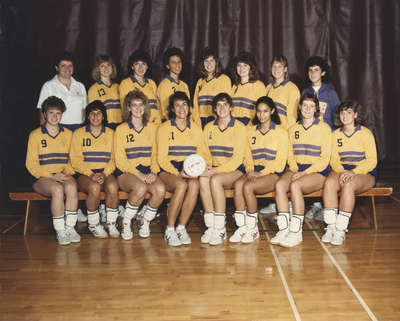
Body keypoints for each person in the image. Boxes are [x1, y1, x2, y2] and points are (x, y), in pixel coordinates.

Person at [271, 93, 332, 247]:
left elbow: (324, 159)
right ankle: (284, 229)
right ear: (299, 107)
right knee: (279, 185)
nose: (307, 109)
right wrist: (295, 169)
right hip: (298, 168)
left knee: (295, 186)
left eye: (311, 106)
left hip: (317, 171)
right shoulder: (293, 129)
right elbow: (289, 154)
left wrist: (304, 173)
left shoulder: (324, 128)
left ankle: (296, 232)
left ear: (316, 109)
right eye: (305, 105)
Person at [232, 96, 289, 243]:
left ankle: (253, 228)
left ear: (272, 111)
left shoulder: (281, 132)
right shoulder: (249, 131)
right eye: (259, 111)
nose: (262, 115)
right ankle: (242, 227)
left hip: (273, 173)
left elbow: (280, 163)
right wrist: (250, 169)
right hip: (254, 170)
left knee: (248, 187)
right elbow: (247, 154)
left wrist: (261, 173)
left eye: (265, 111)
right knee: (238, 185)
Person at [157, 91, 211, 246]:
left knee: (194, 185)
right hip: (170, 169)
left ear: (189, 107)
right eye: (178, 105)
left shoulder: (195, 128)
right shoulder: (164, 128)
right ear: (172, 109)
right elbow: (162, 159)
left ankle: (181, 227)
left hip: (190, 168)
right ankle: (170, 229)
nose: (182, 109)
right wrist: (178, 173)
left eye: (185, 105)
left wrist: (197, 171)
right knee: (181, 185)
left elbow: (202, 154)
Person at [322, 101, 377, 245]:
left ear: (356, 115)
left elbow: (372, 161)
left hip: (364, 171)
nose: (345, 116)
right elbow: (333, 159)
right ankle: (331, 227)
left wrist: (353, 172)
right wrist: (343, 171)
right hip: (342, 169)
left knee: (348, 185)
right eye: (342, 112)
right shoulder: (335, 135)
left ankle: (341, 230)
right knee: (329, 183)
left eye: (349, 112)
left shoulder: (365, 133)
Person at [26, 96, 79, 245]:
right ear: (44, 114)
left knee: (71, 186)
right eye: (51, 113)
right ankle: (60, 231)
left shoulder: (68, 134)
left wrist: (66, 171)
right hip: (42, 177)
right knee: (57, 190)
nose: (55, 116)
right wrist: (51, 176)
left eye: (58, 113)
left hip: (61, 174)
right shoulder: (35, 135)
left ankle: (70, 228)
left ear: (62, 114)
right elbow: (31, 165)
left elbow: (73, 160)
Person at [114, 89, 166, 240]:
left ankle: (145, 221)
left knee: (160, 189)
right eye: (134, 105)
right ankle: (126, 222)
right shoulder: (121, 129)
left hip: (147, 170)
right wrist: (140, 175)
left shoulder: (153, 128)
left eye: (141, 105)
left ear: (145, 107)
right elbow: (120, 160)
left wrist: (154, 172)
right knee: (140, 187)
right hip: (127, 172)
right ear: (128, 108)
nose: (138, 109)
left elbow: (156, 155)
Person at [200, 93, 250, 245]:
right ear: (214, 109)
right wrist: (207, 166)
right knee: (203, 178)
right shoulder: (209, 127)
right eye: (219, 105)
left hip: (236, 170)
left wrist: (214, 171)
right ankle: (211, 227)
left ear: (231, 108)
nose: (222, 108)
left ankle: (220, 229)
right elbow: (204, 152)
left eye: (225, 105)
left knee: (215, 180)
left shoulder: (239, 127)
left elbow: (237, 160)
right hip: (216, 168)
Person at [70, 100, 120, 238]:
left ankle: (111, 223)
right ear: (87, 116)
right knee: (95, 188)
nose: (95, 117)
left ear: (103, 116)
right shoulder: (79, 133)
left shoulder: (111, 133)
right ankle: (94, 224)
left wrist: (104, 173)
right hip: (85, 174)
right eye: (92, 114)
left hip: (105, 171)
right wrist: (91, 174)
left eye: (99, 114)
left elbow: (114, 159)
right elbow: (75, 159)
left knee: (113, 187)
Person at [260, 55, 300, 215]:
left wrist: (288, 136)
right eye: (274, 66)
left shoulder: (292, 88)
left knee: (286, 169)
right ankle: (275, 201)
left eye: (280, 66)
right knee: (273, 167)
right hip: (271, 136)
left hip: (285, 135)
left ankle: (288, 203)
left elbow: (293, 118)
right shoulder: (268, 88)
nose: (276, 69)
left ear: (285, 69)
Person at [302, 56, 341, 220]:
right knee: (311, 171)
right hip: (309, 141)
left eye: (316, 70)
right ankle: (316, 203)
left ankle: (327, 205)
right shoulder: (305, 92)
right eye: (310, 70)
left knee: (326, 170)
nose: (313, 73)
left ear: (323, 72)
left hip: (326, 138)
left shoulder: (331, 93)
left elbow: (338, 118)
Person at [37, 52, 87, 132]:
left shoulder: (80, 86)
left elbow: (84, 110)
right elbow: (42, 112)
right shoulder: (48, 86)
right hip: (57, 128)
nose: (67, 68)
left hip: (78, 129)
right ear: (57, 68)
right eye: (63, 65)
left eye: (70, 65)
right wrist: (44, 131)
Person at [192, 47, 232, 128]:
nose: (208, 64)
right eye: (206, 61)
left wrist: (220, 123)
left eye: (211, 60)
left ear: (216, 62)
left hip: (217, 121)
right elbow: (195, 105)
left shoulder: (224, 79)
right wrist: (197, 123)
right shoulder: (200, 81)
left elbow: (227, 105)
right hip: (201, 121)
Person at [119, 50, 161, 124]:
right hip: (139, 125)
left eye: (143, 64)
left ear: (147, 66)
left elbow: (157, 106)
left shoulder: (152, 83)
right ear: (132, 67)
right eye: (137, 64)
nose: (140, 67)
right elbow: (125, 108)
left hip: (155, 124)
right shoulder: (125, 83)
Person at [230, 52, 266, 126]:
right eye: (239, 65)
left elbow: (261, 112)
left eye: (245, 65)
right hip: (234, 127)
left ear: (251, 68)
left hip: (250, 128)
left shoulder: (259, 86)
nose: (241, 68)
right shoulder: (234, 86)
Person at [88, 55, 122, 130]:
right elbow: (93, 112)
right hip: (104, 126)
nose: (106, 68)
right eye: (102, 66)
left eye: (108, 65)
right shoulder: (93, 89)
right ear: (97, 69)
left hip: (120, 124)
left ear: (112, 68)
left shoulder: (119, 87)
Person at [157, 47, 190, 122]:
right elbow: (165, 111)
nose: (177, 65)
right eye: (173, 62)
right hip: (171, 124)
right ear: (167, 66)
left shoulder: (184, 85)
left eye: (179, 62)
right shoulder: (164, 85)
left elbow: (188, 108)